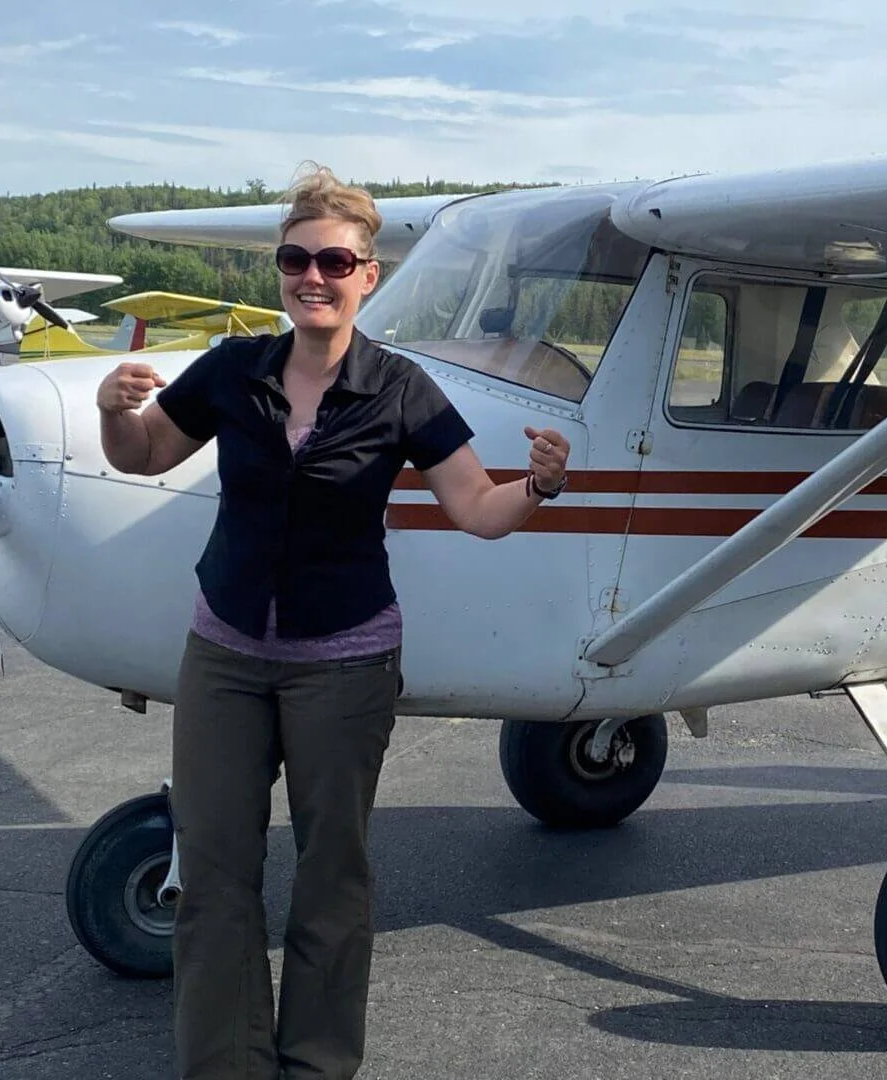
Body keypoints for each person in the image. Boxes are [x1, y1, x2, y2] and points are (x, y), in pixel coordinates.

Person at [95, 164, 569, 1079]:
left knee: (330, 878)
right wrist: (118, 414)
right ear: (281, 270)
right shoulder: (236, 369)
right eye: (296, 258)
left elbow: (475, 506)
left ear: (367, 276)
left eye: (335, 261)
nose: (314, 275)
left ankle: (314, 1065)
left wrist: (539, 488)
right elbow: (146, 453)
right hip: (225, 655)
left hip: (343, 667)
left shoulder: (401, 389)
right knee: (215, 878)